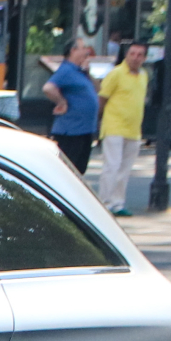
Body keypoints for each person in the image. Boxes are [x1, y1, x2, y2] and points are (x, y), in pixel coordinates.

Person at [96, 41, 149, 216]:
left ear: (144, 58)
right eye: (132, 53)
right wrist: (99, 120)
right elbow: (102, 98)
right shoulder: (116, 74)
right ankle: (105, 202)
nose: (135, 58)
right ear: (126, 55)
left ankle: (118, 203)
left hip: (133, 129)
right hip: (114, 126)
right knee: (112, 166)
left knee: (125, 169)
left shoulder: (143, 76)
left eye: (139, 55)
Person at [43, 38, 100, 175]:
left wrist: (88, 72)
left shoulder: (80, 71)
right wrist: (62, 102)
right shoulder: (66, 70)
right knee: (67, 171)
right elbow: (48, 88)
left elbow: (97, 89)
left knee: (79, 170)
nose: (86, 50)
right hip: (71, 131)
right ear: (73, 51)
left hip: (85, 129)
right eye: (83, 47)